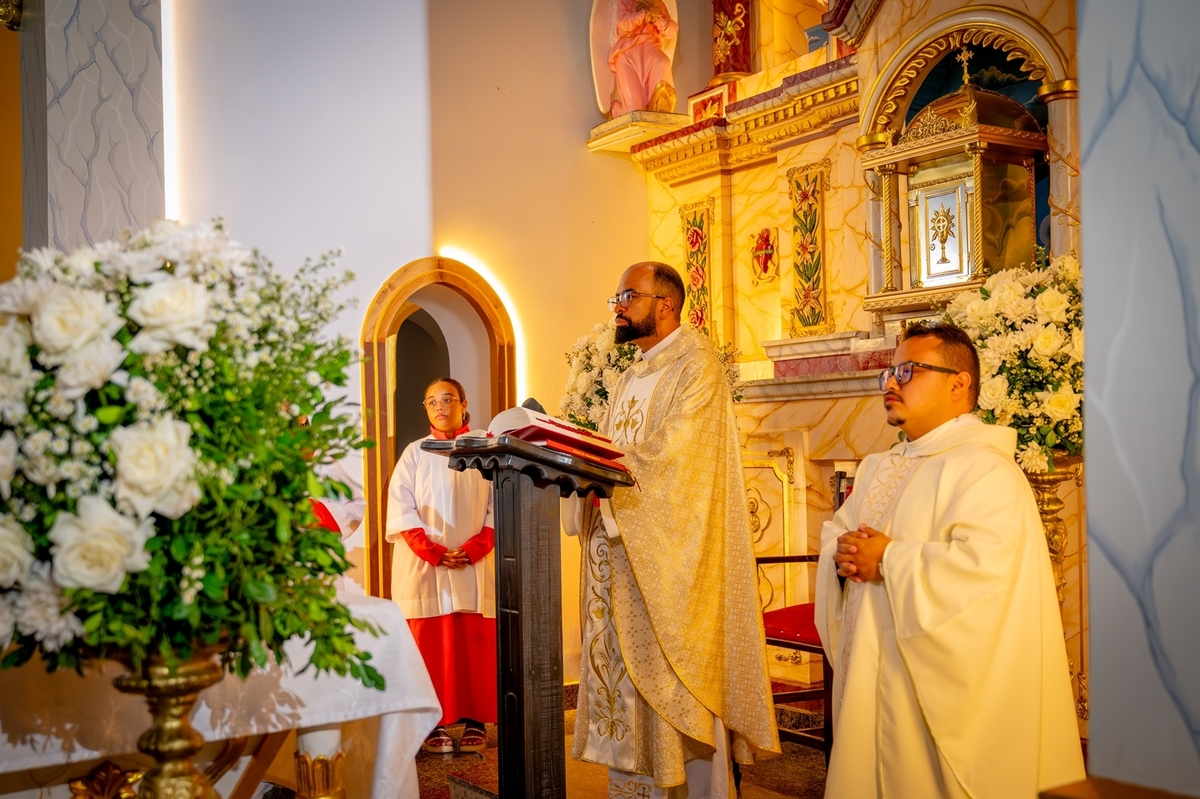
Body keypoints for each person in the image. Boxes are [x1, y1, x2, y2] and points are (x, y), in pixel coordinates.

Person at [814, 321, 1086, 798]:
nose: (891, 383)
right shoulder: (882, 465)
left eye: (908, 370)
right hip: (870, 679)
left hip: (929, 699)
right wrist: (842, 552)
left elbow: (985, 577)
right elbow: (842, 529)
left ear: (960, 384)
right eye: (889, 373)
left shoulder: (985, 470)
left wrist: (890, 560)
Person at [565, 262, 780, 798]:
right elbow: (625, 452)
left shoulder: (697, 365)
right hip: (619, 554)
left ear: (665, 303)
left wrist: (599, 463)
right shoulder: (631, 374)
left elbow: (680, 461)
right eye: (616, 296)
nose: (617, 306)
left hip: (669, 560)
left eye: (628, 296)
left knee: (670, 681)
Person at [386, 377, 495, 755]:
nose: (440, 406)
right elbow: (400, 508)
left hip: (471, 563)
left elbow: (496, 505)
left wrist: (477, 546)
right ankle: (432, 723)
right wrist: (431, 550)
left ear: (464, 403)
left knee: (473, 644)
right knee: (429, 646)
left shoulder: (486, 449)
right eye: (431, 401)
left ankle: (475, 720)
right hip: (425, 566)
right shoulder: (414, 453)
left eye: (447, 399)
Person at [610, 0, 678, 116]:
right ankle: (614, 110)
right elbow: (623, 23)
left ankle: (659, 110)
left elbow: (672, 30)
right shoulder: (626, 2)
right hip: (628, 54)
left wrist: (657, 19)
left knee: (663, 63)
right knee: (634, 109)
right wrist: (643, 14)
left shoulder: (657, 3)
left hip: (651, 49)